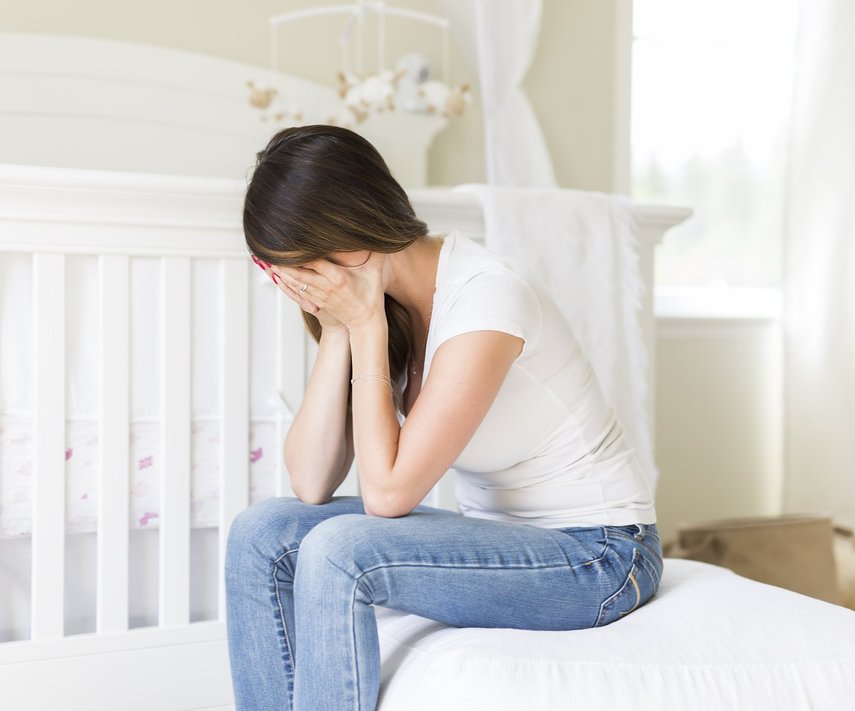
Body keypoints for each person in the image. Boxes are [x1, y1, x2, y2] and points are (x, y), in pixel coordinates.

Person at [226, 125, 662, 711]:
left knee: (338, 551)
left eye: (300, 267)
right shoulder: (384, 306)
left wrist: (363, 326)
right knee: (260, 534)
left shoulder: (487, 298)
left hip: (602, 557)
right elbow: (310, 481)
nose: (300, 288)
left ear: (347, 235)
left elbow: (387, 495)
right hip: (510, 541)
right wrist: (336, 328)